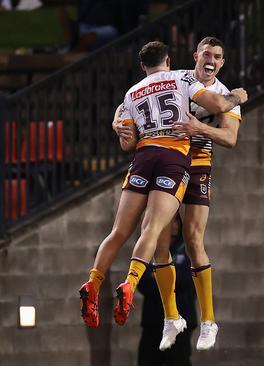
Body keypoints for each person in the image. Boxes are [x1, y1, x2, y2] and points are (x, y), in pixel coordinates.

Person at [79, 40, 246, 349]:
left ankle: (208, 321)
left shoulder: (218, 90)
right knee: (158, 238)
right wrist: (117, 121)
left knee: (193, 238)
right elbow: (130, 115)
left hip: (195, 163)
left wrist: (199, 128)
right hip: (172, 158)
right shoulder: (182, 77)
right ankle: (172, 318)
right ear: (195, 57)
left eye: (218, 57)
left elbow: (230, 138)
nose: (211, 60)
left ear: (222, 62)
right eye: (206, 54)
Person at [137, 215, 197, 366]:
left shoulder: (188, 248)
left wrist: (156, 276)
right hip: (153, 322)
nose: (173, 225)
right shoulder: (150, 248)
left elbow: (184, 280)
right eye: (169, 219)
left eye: (176, 220)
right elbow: (142, 282)